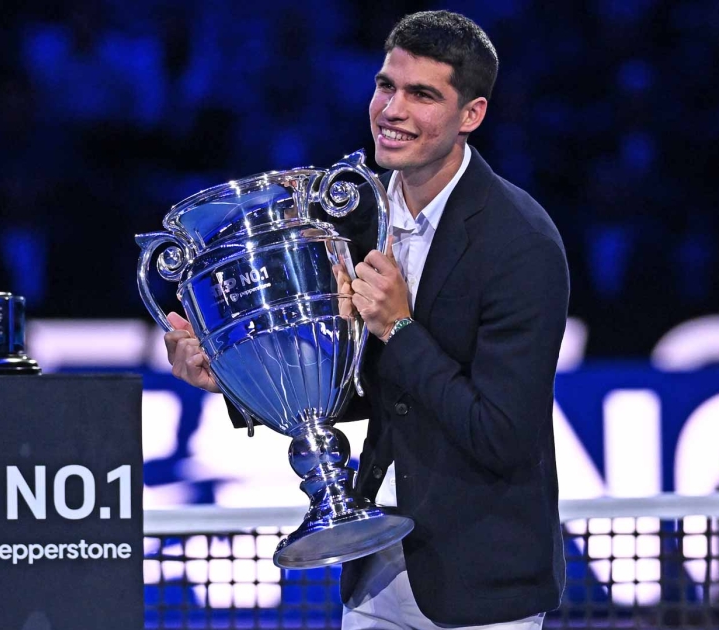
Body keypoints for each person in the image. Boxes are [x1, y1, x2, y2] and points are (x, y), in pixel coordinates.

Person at [165, 10, 568, 629]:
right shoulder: (351, 216)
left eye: (422, 95)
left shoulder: (521, 241)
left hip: (480, 589)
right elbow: (361, 387)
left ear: (472, 115)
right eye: (386, 86)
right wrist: (236, 376)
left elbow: (501, 434)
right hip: (376, 575)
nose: (392, 109)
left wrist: (400, 329)